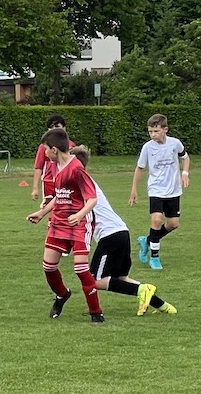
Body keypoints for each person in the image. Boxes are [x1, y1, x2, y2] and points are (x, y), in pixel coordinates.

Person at [72, 146, 177, 317]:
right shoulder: (85, 181)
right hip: (121, 233)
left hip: (110, 236)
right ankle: (163, 305)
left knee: (94, 280)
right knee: (120, 278)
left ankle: (142, 290)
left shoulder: (81, 183)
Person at [27, 127, 105, 323]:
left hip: (79, 223)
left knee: (81, 269)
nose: (44, 153)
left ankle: (96, 312)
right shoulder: (55, 167)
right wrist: (42, 213)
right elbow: (59, 196)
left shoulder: (76, 168)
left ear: (54, 149)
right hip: (59, 221)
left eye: (45, 149)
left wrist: (79, 215)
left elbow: (92, 198)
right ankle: (62, 295)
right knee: (48, 266)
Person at [129, 113, 190, 271]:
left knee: (173, 224)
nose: (153, 135)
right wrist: (134, 189)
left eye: (156, 131)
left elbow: (185, 157)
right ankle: (154, 258)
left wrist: (185, 173)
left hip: (173, 190)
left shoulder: (175, 143)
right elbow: (139, 168)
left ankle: (147, 241)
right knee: (156, 220)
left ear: (165, 129)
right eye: (150, 131)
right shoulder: (147, 147)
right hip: (156, 189)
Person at [29, 114, 69, 201]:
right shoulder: (43, 147)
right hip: (49, 182)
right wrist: (35, 188)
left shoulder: (70, 145)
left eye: (57, 126)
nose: (54, 130)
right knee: (49, 206)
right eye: (51, 127)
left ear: (64, 128)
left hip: (65, 181)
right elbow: (38, 167)